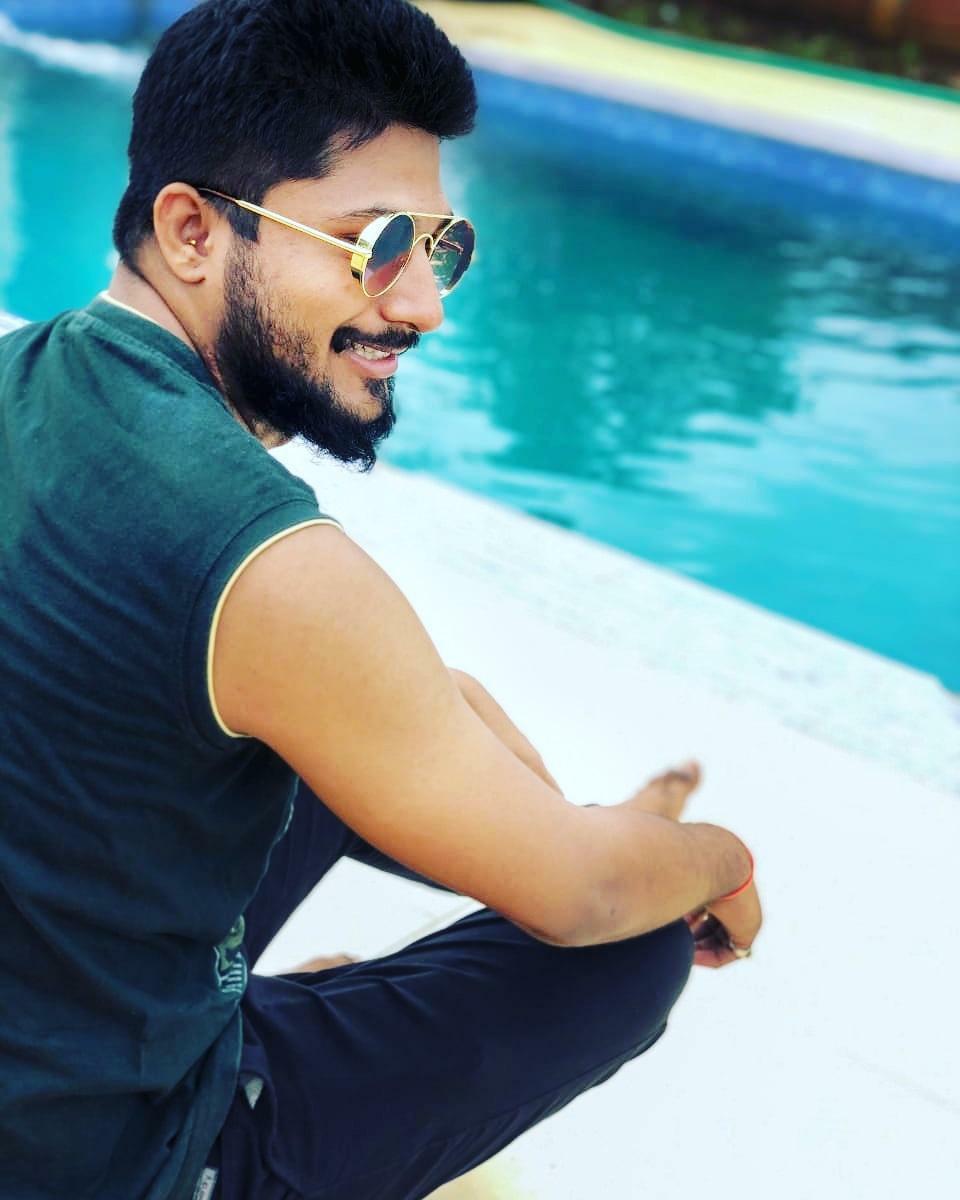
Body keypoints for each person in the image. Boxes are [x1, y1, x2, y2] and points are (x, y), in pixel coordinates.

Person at [0, 2, 762, 1198]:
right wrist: (716, 862)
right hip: (102, 1159)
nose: (423, 306)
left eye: (440, 247)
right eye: (376, 245)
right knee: (629, 950)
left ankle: (568, 833)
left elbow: (419, 707)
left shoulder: (23, 378)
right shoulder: (262, 560)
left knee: (419, 714)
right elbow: (580, 901)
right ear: (193, 230)